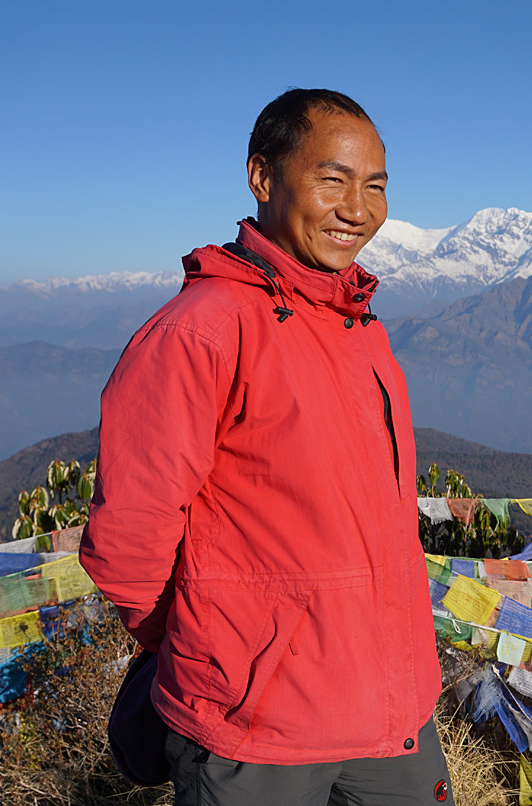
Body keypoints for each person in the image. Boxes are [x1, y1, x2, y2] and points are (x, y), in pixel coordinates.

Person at [80, 89, 450, 804]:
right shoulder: (202, 331)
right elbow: (127, 542)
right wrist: (222, 645)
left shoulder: (356, 323)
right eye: (332, 178)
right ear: (262, 177)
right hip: (256, 727)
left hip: (394, 712)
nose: (358, 207)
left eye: (375, 186)